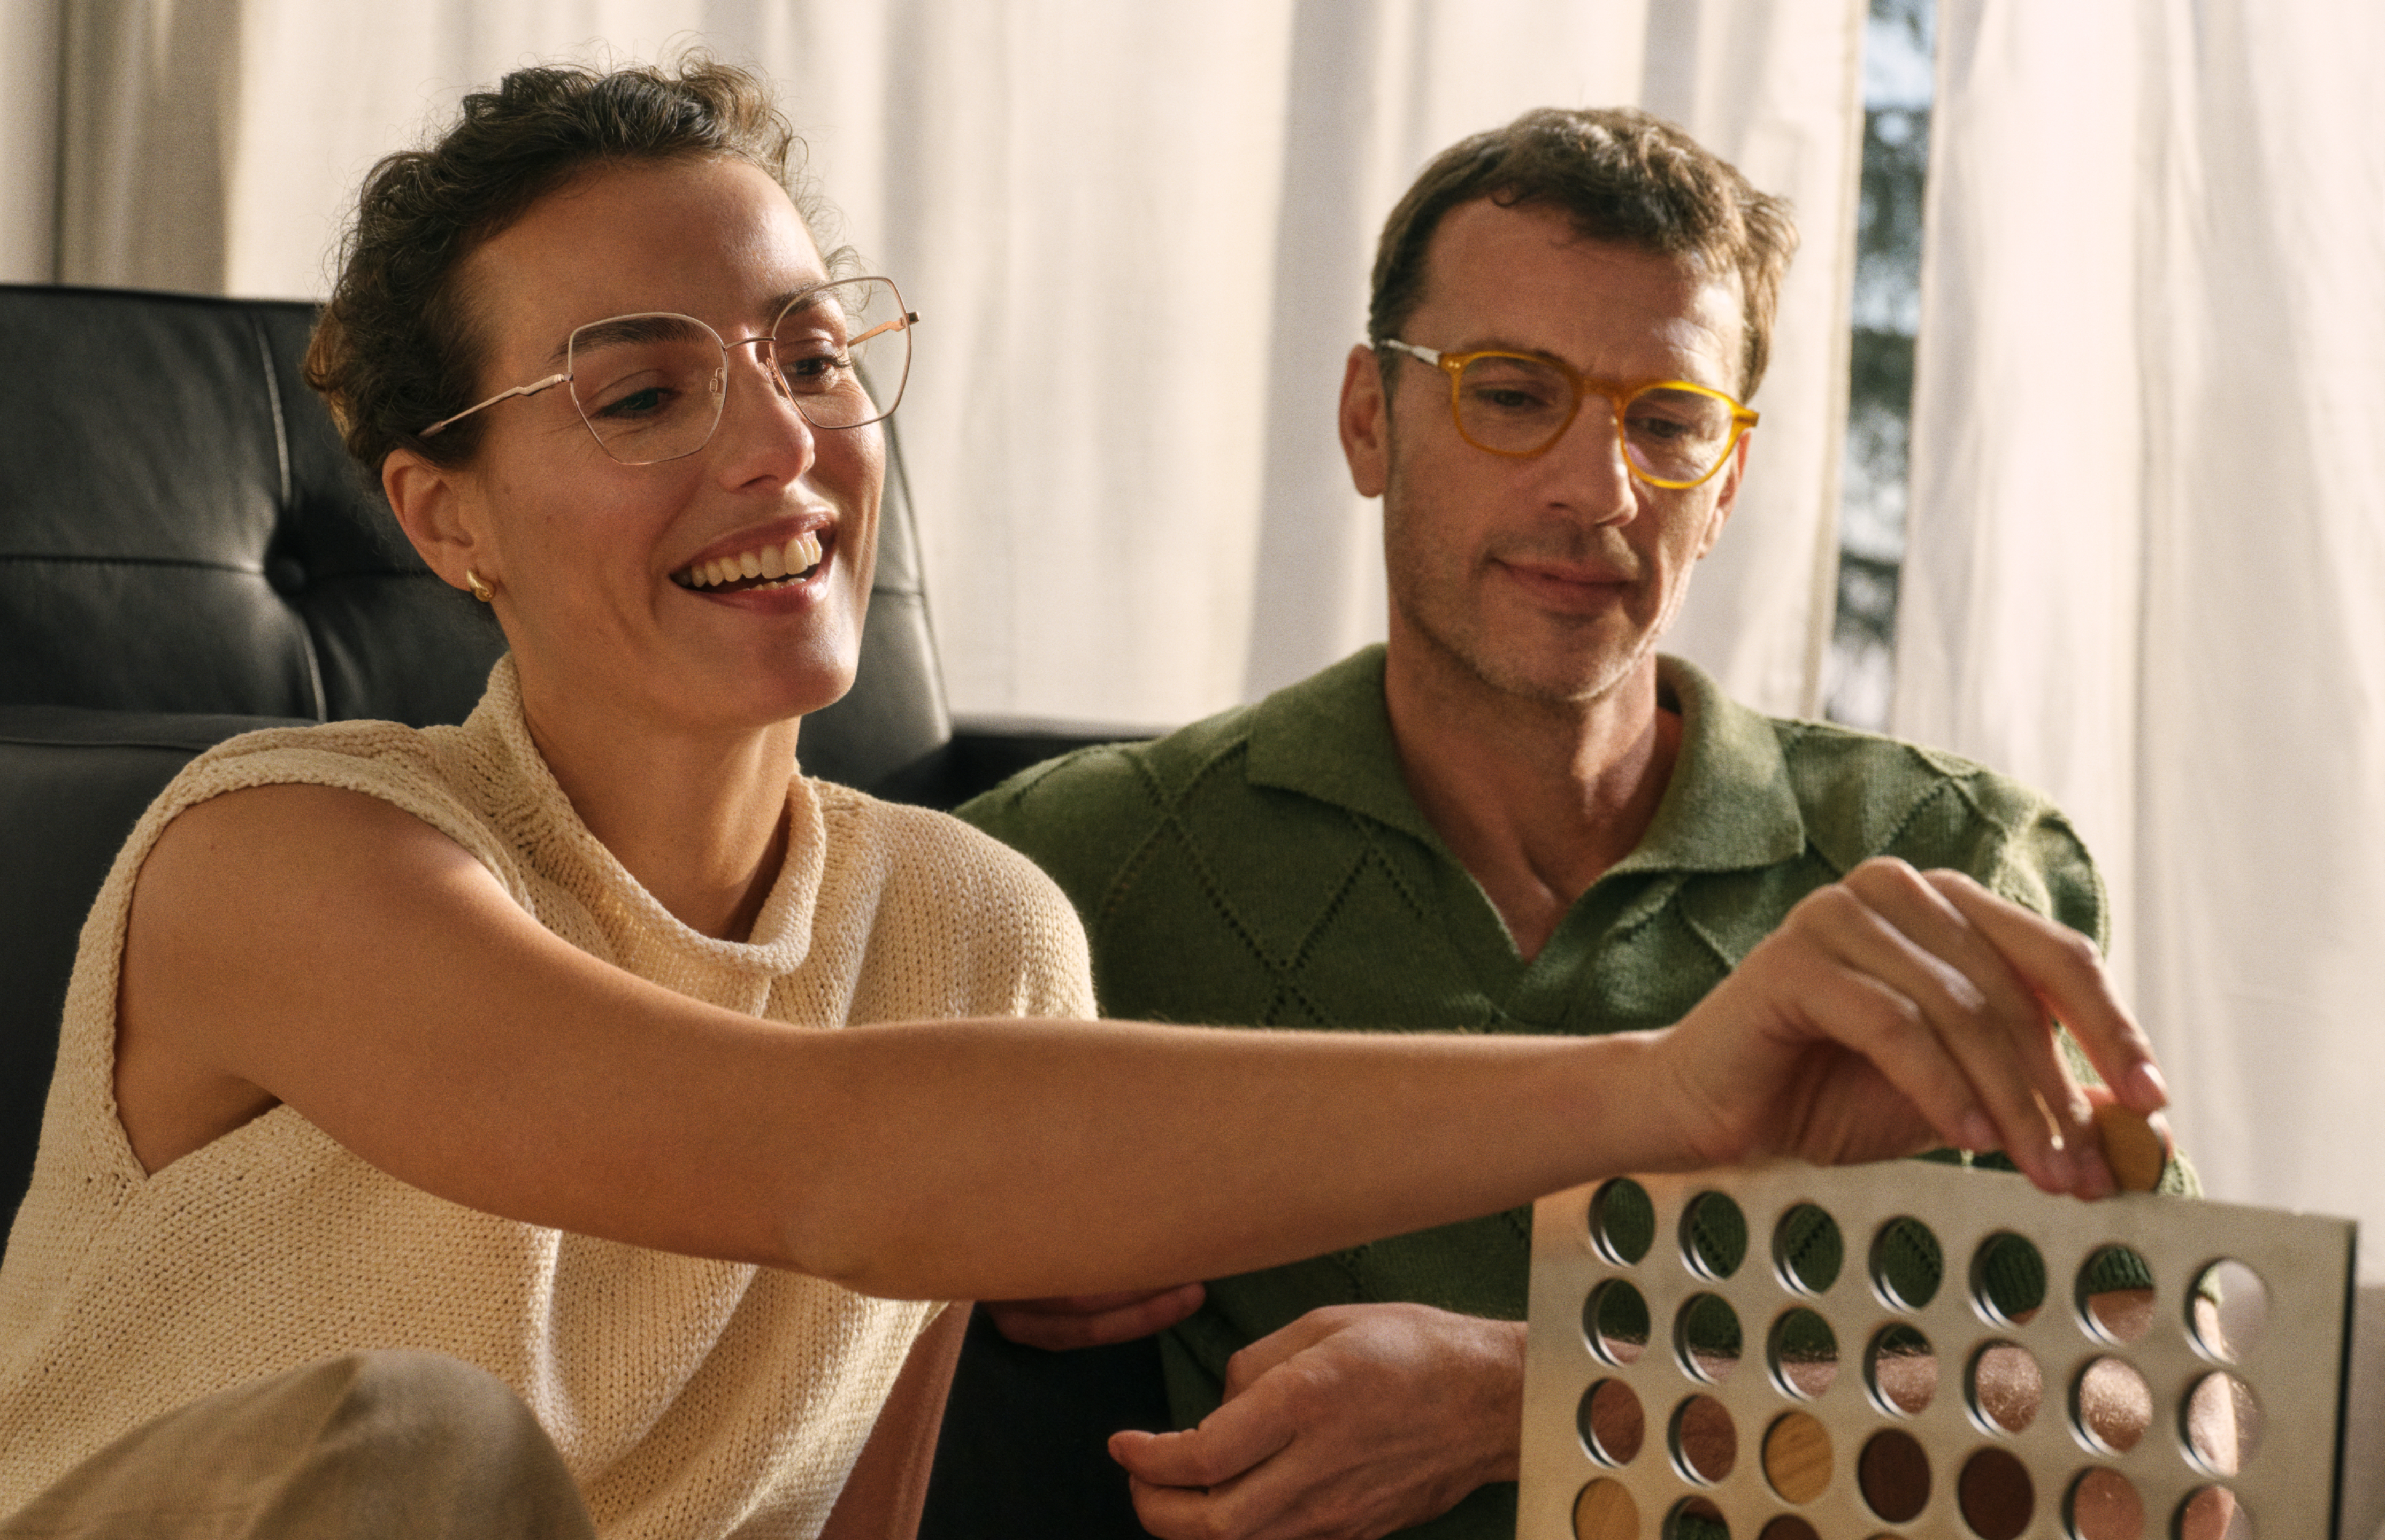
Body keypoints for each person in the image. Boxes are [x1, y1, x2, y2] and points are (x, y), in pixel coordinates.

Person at [0, 68, 2161, 1540]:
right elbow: (833, 1157)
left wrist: (1537, 1377)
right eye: (640, 389)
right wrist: (1662, 1092)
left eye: (807, 354)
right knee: (431, 1449)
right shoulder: (289, 853)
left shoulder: (980, 932)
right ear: (441, 521)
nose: (779, 442)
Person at [931, 107, 2190, 1540]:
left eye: (1667, 424)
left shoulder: (1955, 864)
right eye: (1512, 395)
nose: (1597, 489)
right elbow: (802, 1264)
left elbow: (2174, 1416)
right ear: (1368, 418)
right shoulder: (1074, 868)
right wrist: (960, 1254)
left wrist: (1547, 1406)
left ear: (1725, 483)